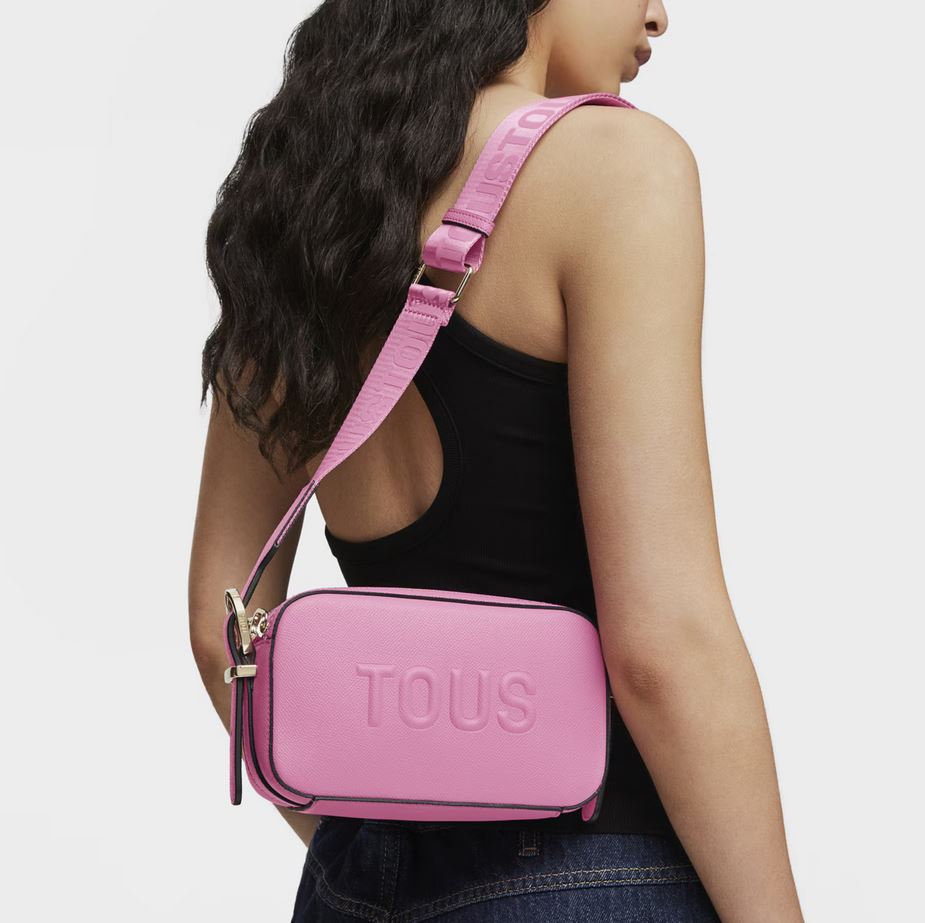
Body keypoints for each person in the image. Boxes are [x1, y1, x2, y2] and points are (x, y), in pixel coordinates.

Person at [188, 1, 805, 920]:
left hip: (352, 880)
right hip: (592, 868)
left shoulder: (301, 192)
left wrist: (377, 851)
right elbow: (662, 646)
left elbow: (223, 628)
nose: (657, 15)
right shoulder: (613, 166)